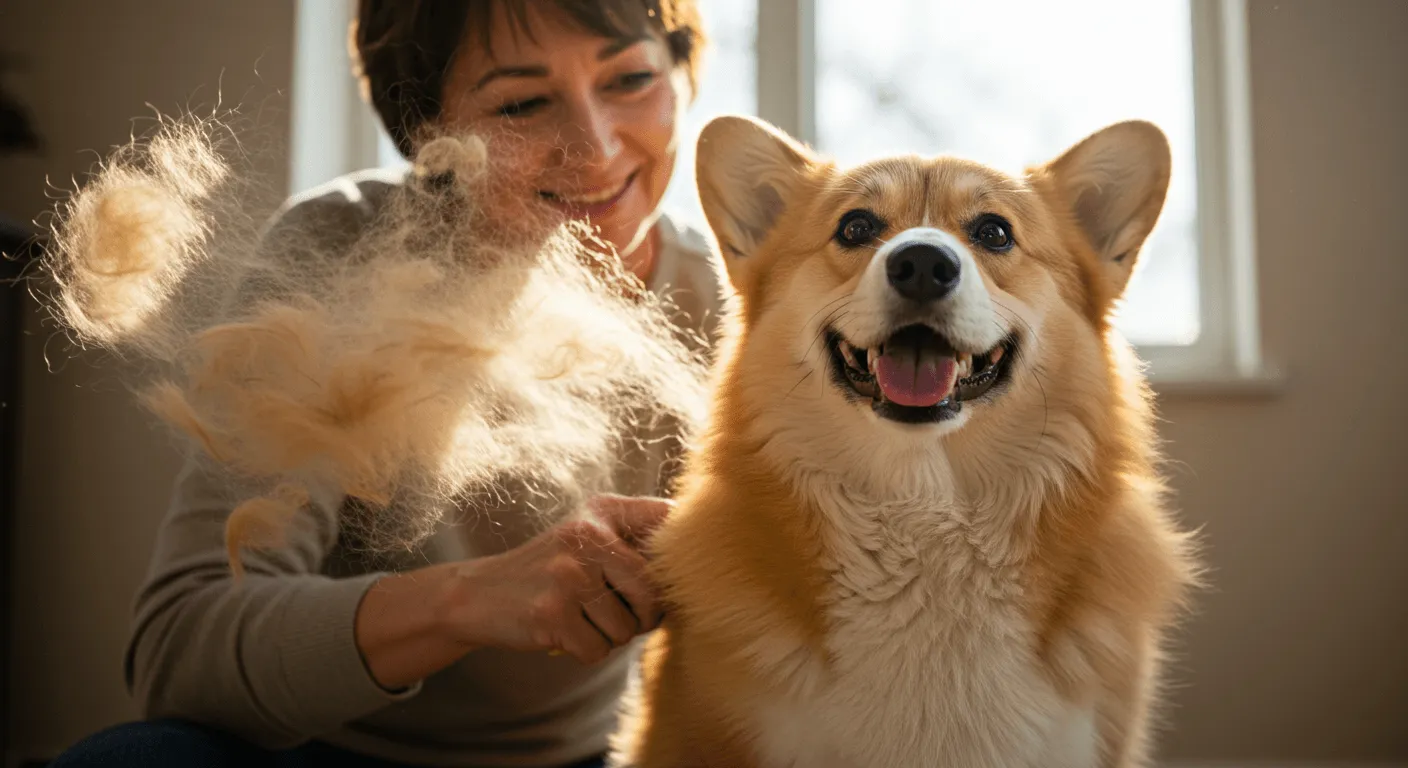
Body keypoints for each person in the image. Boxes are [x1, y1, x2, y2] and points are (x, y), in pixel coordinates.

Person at [50, 1, 722, 766]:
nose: (596, 147)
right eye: (523, 102)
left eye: (631, 79)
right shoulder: (337, 251)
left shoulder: (722, 293)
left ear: (681, 74)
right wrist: (469, 600)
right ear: (427, 133)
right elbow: (183, 650)